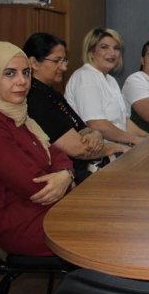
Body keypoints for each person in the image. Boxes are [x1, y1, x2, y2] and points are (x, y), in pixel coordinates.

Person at [0, 41, 74, 256]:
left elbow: (56, 152)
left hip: (45, 208)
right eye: (9, 73)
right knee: (107, 226)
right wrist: (64, 179)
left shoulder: (18, 113)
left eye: (26, 73)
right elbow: (35, 187)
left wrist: (65, 174)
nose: (22, 81)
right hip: (22, 224)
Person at [23, 33, 130, 184]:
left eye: (64, 60)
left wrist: (96, 134)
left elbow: (84, 128)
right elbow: (78, 149)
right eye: (57, 61)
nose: (64, 67)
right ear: (34, 62)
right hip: (68, 175)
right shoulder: (35, 98)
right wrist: (116, 147)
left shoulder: (51, 93)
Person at [65, 28, 148, 145]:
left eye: (116, 48)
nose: (112, 53)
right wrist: (136, 140)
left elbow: (124, 123)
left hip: (119, 146)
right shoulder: (86, 76)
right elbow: (97, 125)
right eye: (104, 47)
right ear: (91, 51)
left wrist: (148, 137)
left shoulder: (111, 80)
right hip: (99, 152)